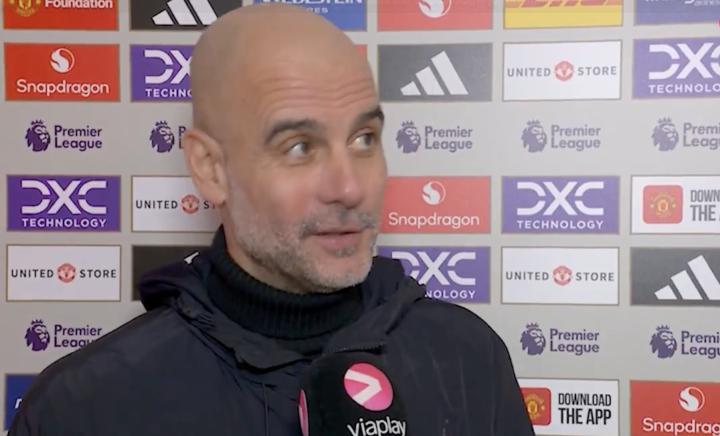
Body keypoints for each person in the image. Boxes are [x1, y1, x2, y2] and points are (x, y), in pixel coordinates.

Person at [9, 4, 535, 435]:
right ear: (211, 169)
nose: (349, 188)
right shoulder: (82, 408)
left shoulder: (467, 359)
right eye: (300, 147)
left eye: (363, 139)